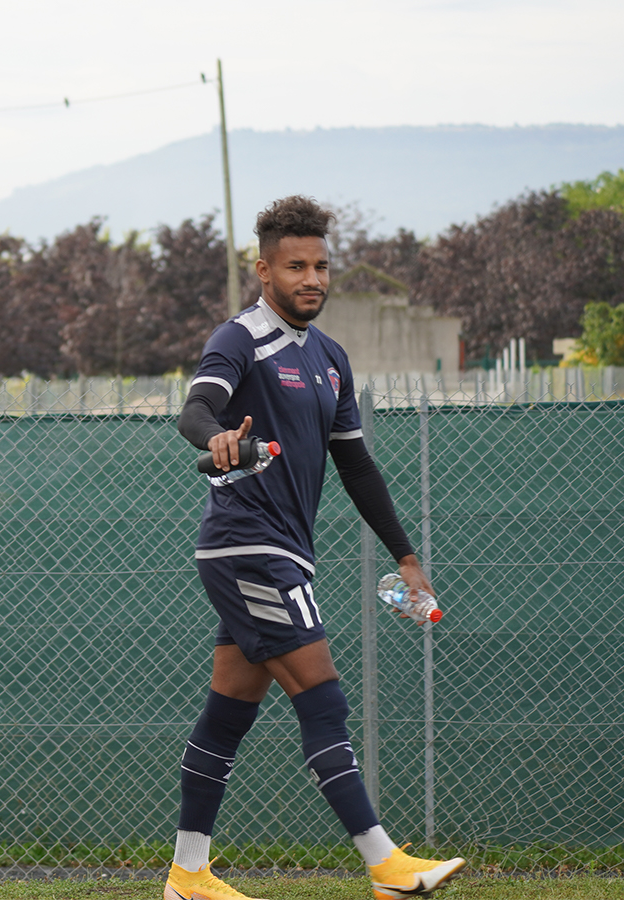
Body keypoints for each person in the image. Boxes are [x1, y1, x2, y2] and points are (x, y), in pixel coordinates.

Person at [164, 196, 465, 900]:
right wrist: (217, 438)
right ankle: (385, 864)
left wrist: (405, 555)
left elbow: (355, 466)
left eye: (322, 266)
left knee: (229, 711)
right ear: (263, 269)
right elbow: (196, 407)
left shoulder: (331, 360)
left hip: (282, 551)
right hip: (247, 546)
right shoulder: (241, 337)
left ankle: (187, 873)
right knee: (323, 700)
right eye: (296, 266)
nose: (313, 279)